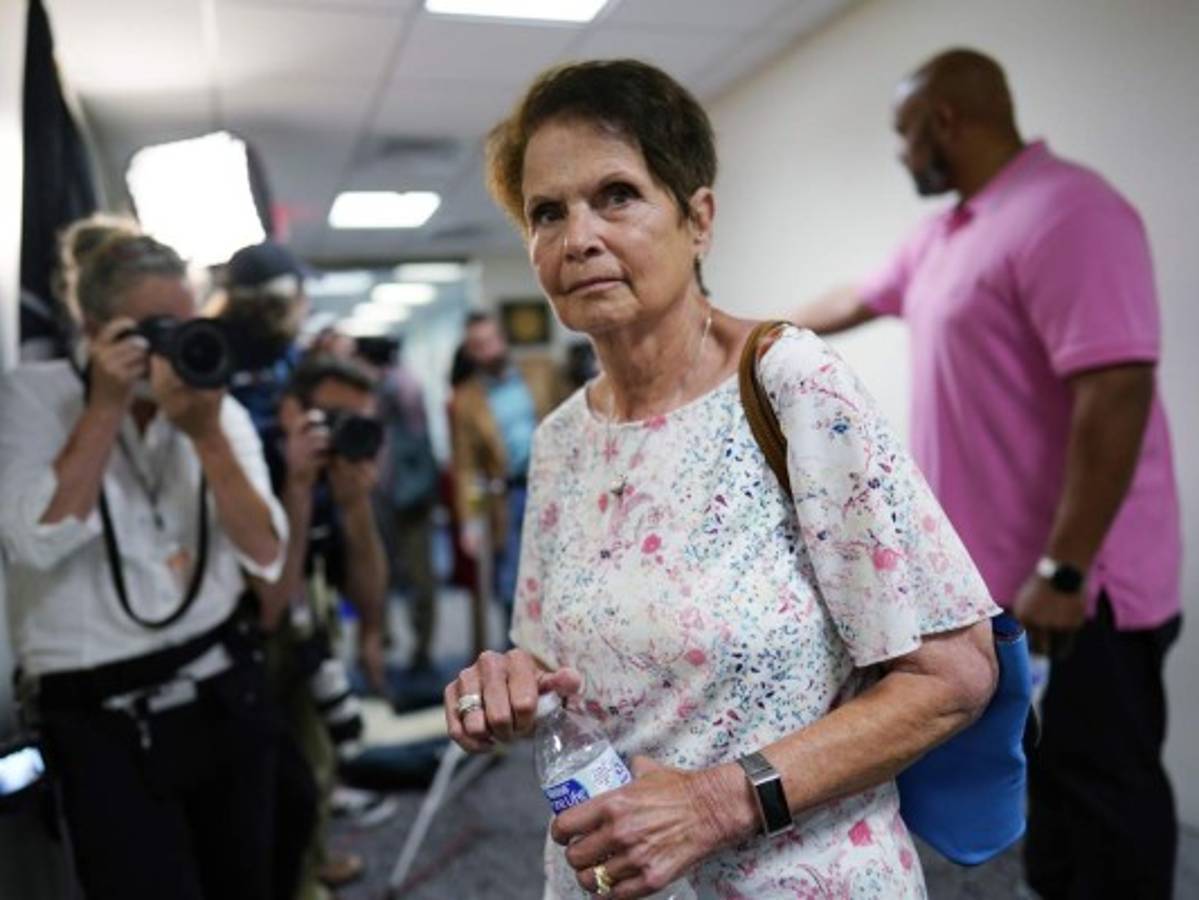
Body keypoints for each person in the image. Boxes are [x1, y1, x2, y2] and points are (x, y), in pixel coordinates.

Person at [442, 59, 1000, 899]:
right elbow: (552, 660)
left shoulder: (788, 384)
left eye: (616, 196)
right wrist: (509, 683)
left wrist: (714, 803)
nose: (577, 237)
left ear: (697, 218)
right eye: (546, 212)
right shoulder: (562, 440)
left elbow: (952, 677)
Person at [792, 48, 1184, 900]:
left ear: (942, 121)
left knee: (1106, 788)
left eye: (903, 132)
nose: (899, 153)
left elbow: (1116, 390)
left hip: (1082, 587)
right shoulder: (948, 233)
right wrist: (733, 336)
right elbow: (851, 299)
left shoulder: (1070, 212)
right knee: (1045, 779)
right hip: (1001, 587)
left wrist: (1065, 569)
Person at [0, 232, 288, 899]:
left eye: (184, 326)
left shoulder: (210, 401)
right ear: (94, 329)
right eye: (152, 330)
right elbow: (33, 540)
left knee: (247, 880)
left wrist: (206, 436)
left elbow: (268, 556)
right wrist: (104, 409)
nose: (172, 345)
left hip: (222, 689)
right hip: (99, 721)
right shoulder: (31, 398)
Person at [248, 353, 389, 896]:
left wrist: (355, 506)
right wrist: (299, 485)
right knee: (267, 784)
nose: (344, 433)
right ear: (290, 411)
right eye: (332, 418)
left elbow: (365, 592)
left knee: (317, 762)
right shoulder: (256, 455)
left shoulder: (341, 469)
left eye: (357, 421)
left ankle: (311, 864)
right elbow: (267, 591)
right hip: (250, 632)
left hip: (311, 619)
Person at [450, 312, 562, 626]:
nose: (488, 350)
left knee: (559, 570)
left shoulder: (542, 371)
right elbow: (467, 466)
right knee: (512, 581)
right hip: (508, 495)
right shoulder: (467, 400)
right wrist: (470, 520)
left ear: (502, 339)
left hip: (555, 486)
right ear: (470, 352)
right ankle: (516, 644)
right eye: (478, 345)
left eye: (491, 340)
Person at [356, 335, 441, 673]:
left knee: (419, 577)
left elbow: (415, 430)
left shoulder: (402, 386)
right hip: (382, 494)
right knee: (380, 574)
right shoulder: (379, 387)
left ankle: (422, 649)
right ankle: (386, 642)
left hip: (410, 496)